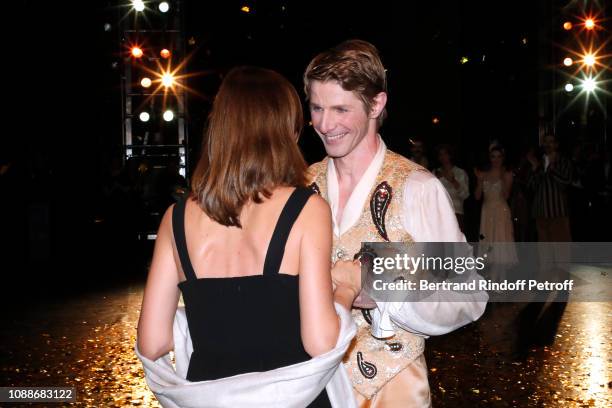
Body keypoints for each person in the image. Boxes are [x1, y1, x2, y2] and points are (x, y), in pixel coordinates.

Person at [136, 66, 361, 407]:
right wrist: (347, 288)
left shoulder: (176, 218)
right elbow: (320, 341)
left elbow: (152, 343)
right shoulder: (306, 209)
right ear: (285, 131)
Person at [304, 39, 487, 407]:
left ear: (376, 104)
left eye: (340, 109)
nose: (325, 124)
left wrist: (385, 292)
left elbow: (468, 294)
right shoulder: (301, 185)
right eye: (317, 108)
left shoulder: (418, 188)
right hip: (312, 386)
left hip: (392, 390)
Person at [527, 133, 573, 242]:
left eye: (551, 141)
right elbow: (531, 186)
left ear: (556, 145)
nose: (547, 144)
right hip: (541, 213)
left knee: (561, 251)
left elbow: (566, 182)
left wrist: (551, 168)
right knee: (544, 253)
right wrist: (534, 168)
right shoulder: (539, 163)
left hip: (557, 212)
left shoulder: (564, 161)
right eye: (545, 141)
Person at [434, 144, 469, 231]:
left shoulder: (460, 172)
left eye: (445, 154)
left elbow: (465, 195)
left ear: (450, 155)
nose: (443, 157)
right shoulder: (435, 173)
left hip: (456, 213)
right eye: (440, 154)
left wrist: (453, 181)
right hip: (439, 214)